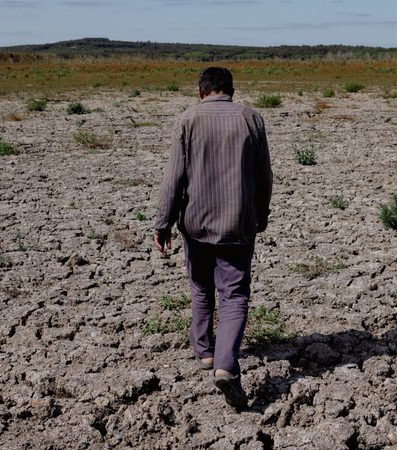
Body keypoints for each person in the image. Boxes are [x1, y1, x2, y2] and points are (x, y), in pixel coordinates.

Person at [153, 67, 273, 410]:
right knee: (234, 295)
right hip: (238, 223)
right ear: (231, 90)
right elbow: (264, 176)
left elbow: (174, 177)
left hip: (195, 223)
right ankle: (225, 365)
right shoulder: (252, 119)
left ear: (200, 90)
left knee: (201, 286)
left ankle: (205, 352)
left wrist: (163, 222)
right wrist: (259, 216)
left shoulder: (188, 119)